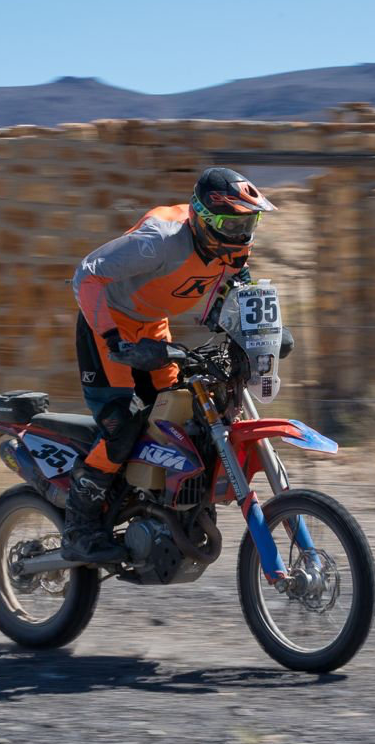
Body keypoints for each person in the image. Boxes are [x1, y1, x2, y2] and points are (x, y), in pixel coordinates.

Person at [62, 166, 277, 562]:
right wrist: (114, 340)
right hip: (107, 326)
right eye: (232, 225)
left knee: (182, 415)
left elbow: (239, 289)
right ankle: (79, 525)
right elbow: (86, 276)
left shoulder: (233, 246)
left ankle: (160, 504)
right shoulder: (159, 241)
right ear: (203, 219)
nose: (241, 234)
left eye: (249, 223)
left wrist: (267, 332)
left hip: (152, 326)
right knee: (123, 423)